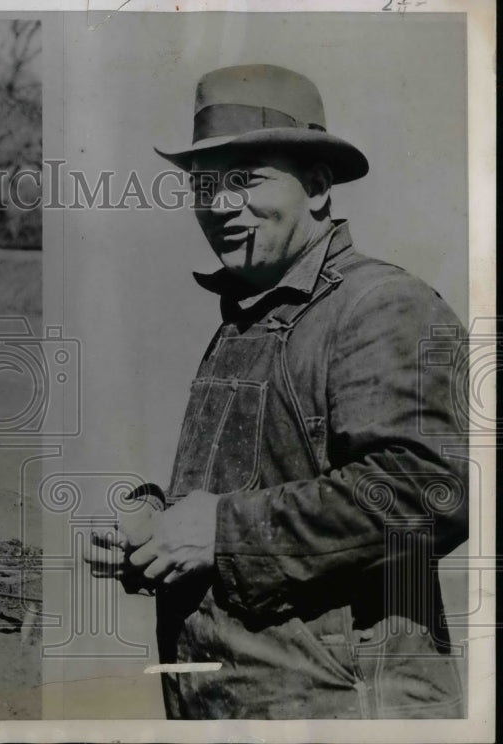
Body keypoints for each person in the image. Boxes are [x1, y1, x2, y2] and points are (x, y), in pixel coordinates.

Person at [86, 64, 468, 719]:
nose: (219, 204)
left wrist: (220, 533)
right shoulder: (249, 319)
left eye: (247, 178)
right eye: (204, 184)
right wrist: (154, 530)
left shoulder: (381, 306)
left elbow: (428, 489)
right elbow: (254, 495)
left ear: (318, 188)